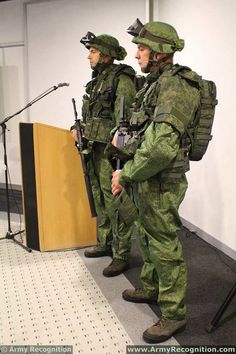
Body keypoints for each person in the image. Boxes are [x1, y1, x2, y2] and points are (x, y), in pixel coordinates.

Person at [111, 19, 201, 343]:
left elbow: (162, 146)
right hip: (146, 178)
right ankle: (151, 287)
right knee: (146, 236)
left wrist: (128, 172)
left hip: (161, 181)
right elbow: (141, 132)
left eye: (142, 47)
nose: (136, 54)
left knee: (164, 245)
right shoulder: (155, 83)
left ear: (160, 51)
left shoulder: (177, 85)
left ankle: (174, 314)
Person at [71, 32, 136, 277]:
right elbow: (91, 115)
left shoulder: (122, 79)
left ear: (106, 55)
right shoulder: (96, 80)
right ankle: (105, 241)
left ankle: (121, 254)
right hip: (94, 148)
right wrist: (76, 129)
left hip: (111, 152)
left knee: (115, 200)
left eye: (93, 51)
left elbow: (127, 121)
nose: (89, 56)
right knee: (99, 196)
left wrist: (122, 150)